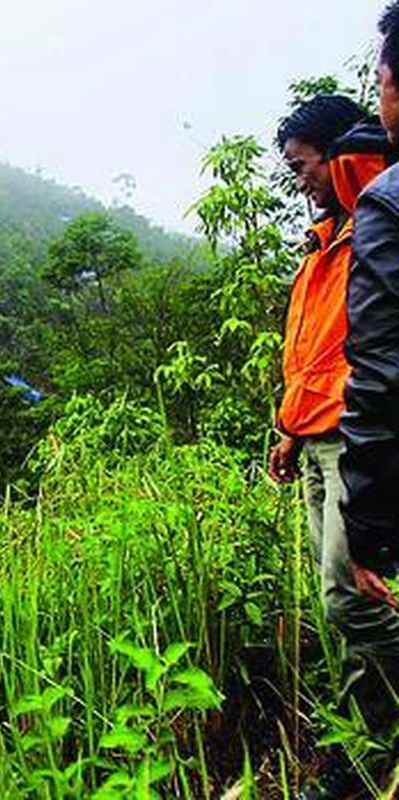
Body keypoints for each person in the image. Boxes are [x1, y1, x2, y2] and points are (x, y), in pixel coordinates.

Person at [267, 94, 399, 798]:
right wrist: (290, 427)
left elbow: (374, 356)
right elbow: (315, 351)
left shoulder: (376, 232)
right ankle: (370, 743)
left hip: (352, 439)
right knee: (340, 604)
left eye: (304, 165)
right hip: (315, 437)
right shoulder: (323, 247)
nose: (301, 179)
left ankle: (378, 739)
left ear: (339, 154)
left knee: (352, 600)